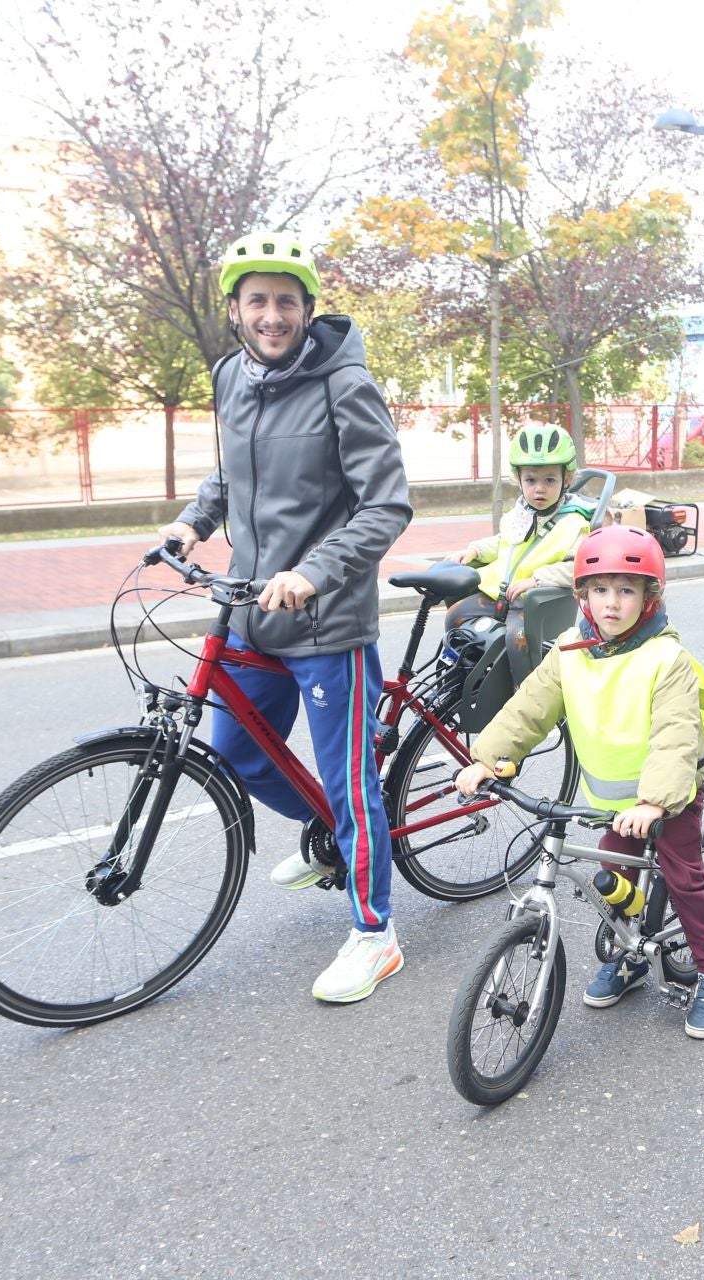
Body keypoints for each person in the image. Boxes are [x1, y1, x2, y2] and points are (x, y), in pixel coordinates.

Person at [158, 230, 414, 1005]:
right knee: (236, 750)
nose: (272, 316)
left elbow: (387, 503)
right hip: (250, 610)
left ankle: (376, 933)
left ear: (307, 309)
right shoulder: (230, 376)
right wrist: (193, 520)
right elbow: (234, 468)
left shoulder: (344, 384)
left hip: (327, 620)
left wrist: (314, 572)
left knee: (349, 783)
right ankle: (337, 839)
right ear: (235, 309)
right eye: (258, 301)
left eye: (287, 302)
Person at [454, 526, 704, 1040]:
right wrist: (489, 759)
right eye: (600, 590)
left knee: (686, 879)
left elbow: (676, 736)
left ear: (650, 597)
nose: (612, 603)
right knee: (609, 873)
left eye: (627, 590)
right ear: (582, 594)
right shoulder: (570, 649)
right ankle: (633, 956)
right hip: (610, 800)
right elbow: (529, 708)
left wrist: (655, 802)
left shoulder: (665, 659)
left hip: (666, 797)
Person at [450, 424, 590, 672]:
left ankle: (523, 697)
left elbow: (576, 568)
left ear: (566, 479)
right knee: (455, 617)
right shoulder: (521, 515)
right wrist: (475, 551)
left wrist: (536, 581)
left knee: (518, 642)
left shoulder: (574, 523)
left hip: (532, 604)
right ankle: (467, 677)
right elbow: (505, 541)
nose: (539, 488)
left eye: (550, 480)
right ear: (519, 480)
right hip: (500, 595)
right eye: (531, 480)